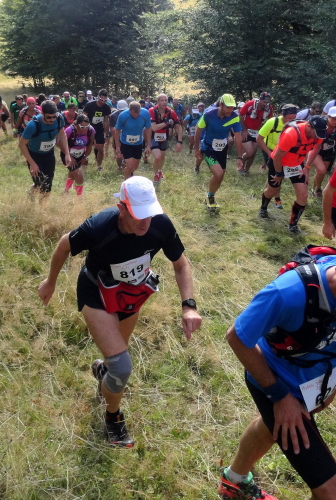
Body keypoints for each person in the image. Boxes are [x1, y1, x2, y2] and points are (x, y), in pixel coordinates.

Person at [219, 231, 336, 500]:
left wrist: (335, 380)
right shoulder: (288, 293)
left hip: (314, 382)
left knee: (272, 427)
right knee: (333, 492)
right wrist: (280, 397)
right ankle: (235, 481)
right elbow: (237, 337)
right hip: (272, 377)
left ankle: (233, 482)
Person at [38, 176, 202, 447]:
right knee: (122, 366)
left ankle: (103, 372)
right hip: (95, 292)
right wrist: (50, 281)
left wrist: (188, 306)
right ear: (121, 208)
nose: (145, 222)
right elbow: (65, 244)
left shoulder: (160, 224)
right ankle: (113, 417)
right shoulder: (100, 226)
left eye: (149, 213)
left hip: (130, 295)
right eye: (138, 215)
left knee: (115, 361)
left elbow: (181, 265)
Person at [263, 115, 326, 233]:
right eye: (316, 133)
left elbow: (316, 148)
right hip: (279, 162)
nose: (318, 136)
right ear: (308, 126)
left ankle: (293, 225)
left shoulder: (319, 133)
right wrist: (279, 174)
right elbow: (277, 157)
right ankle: (263, 209)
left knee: (303, 195)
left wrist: (307, 167)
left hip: (297, 163)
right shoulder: (291, 134)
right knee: (272, 190)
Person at [193, 94, 243, 209]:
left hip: (222, 148)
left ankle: (211, 195)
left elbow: (238, 137)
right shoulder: (208, 114)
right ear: (221, 104)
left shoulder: (234, 117)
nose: (230, 110)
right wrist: (197, 148)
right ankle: (210, 197)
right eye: (227, 107)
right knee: (218, 173)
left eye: (232, 107)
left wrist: (239, 157)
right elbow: (198, 130)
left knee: (221, 175)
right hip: (208, 148)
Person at [19, 100, 71, 197]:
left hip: (49, 154)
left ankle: (41, 204)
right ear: (42, 113)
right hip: (34, 156)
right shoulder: (33, 125)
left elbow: (62, 134)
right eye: (49, 117)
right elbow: (22, 145)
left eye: (54, 116)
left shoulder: (59, 119)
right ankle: (32, 193)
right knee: (40, 183)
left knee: (47, 184)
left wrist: (67, 154)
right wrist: (32, 163)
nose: (52, 120)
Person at [256, 103, 299, 214]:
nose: (292, 121)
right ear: (282, 115)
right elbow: (259, 138)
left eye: (294, 118)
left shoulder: (296, 125)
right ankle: (276, 198)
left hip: (284, 152)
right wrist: (269, 153)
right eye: (289, 118)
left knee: (277, 175)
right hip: (270, 150)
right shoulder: (272, 122)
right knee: (276, 175)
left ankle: (268, 194)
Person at [310, 106, 336, 198]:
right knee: (321, 170)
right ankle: (319, 189)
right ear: (328, 116)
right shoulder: (321, 122)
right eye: (334, 118)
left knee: (321, 172)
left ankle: (313, 189)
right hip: (316, 148)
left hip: (329, 149)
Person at [114, 101, 152, 178]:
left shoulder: (145, 113)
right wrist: (117, 146)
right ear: (129, 110)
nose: (136, 116)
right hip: (126, 143)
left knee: (135, 166)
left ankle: (130, 175)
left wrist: (148, 145)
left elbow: (148, 129)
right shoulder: (123, 115)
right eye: (134, 113)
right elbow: (117, 131)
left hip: (138, 143)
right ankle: (126, 182)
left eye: (138, 114)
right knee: (129, 165)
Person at [238, 92, 274, 174]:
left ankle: (246, 170)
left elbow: (271, 120)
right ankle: (240, 165)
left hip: (257, 131)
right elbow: (240, 115)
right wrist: (244, 130)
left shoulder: (269, 108)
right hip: (246, 130)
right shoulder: (250, 104)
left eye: (267, 102)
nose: (265, 104)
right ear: (260, 99)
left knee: (253, 154)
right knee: (249, 152)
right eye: (264, 101)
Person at [149, 94, 179, 184]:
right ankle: (155, 175)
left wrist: (179, 141)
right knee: (157, 156)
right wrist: (167, 122)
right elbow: (154, 128)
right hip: (153, 136)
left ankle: (159, 170)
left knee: (162, 156)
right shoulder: (152, 111)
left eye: (166, 100)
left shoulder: (170, 112)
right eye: (162, 100)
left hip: (164, 136)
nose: (164, 102)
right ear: (158, 102)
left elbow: (178, 125)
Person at [62, 114, 94, 196]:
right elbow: (62, 144)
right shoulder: (69, 130)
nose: (85, 129)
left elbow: (90, 145)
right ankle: (79, 198)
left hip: (80, 155)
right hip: (67, 155)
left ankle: (65, 191)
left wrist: (85, 156)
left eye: (87, 126)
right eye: (82, 127)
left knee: (73, 174)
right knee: (79, 175)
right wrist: (69, 156)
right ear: (76, 124)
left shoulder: (91, 130)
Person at [83, 89, 112, 171]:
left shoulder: (106, 107)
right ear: (97, 97)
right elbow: (83, 118)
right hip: (88, 128)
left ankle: (99, 166)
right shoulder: (89, 105)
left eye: (105, 100)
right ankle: (84, 162)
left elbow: (106, 121)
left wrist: (107, 134)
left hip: (99, 129)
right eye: (101, 100)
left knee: (101, 149)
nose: (103, 102)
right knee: (87, 147)